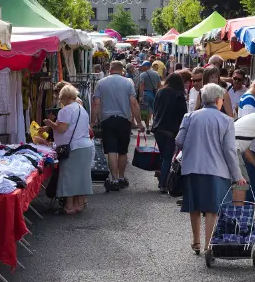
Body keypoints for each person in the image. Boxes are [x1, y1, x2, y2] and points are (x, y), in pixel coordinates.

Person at [175, 82, 247, 255]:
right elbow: (229, 151)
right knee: (212, 209)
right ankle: (209, 245)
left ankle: (196, 242)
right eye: (222, 99)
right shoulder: (227, 121)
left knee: (195, 206)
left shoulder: (189, 116)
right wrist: (238, 176)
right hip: (217, 170)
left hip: (192, 167)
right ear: (217, 100)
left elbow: (179, 141)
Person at [92, 61, 145, 191]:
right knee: (122, 151)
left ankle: (114, 179)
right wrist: (139, 122)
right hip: (123, 121)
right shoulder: (128, 82)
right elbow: (133, 103)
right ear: (122, 70)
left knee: (111, 150)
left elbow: (96, 104)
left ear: (110, 69)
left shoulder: (101, 83)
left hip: (107, 120)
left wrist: (93, 121)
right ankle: (121, 177)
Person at [43, 84, 95, 215]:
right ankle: (78, 205)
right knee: (80, 177)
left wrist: (50, 124)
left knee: (68, 177)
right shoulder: (82, 109)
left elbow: (61, 129)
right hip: (85, 146)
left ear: (64, 98)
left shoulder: (65, 110)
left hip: (73, 148)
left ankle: (69, 207)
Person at [151, 73, 188, 193]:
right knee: (168, 157)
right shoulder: (179, 95)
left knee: (163, 155)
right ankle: (163, 183)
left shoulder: (160, 92)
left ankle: (162, 178)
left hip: (158, 128)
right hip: (171, 129)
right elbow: (183, 114)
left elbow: (155, 108)